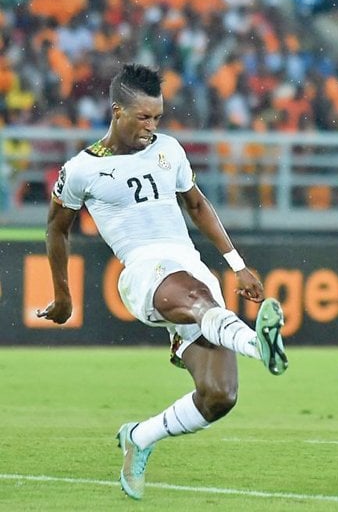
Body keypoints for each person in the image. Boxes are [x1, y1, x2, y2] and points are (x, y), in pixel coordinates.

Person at [36, 63, 289, 501]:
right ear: (117, 112)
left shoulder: (169, 149)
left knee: (219, 396)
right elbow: (57, 228)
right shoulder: (81, 170)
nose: (151, 127)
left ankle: (140, 436)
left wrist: (236, 264)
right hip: (140, 272)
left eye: (157, 117)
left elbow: (196, 204)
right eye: (143, 118)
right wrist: (62, 296)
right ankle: (257, 346)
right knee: (196, 299)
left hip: (189, 267)